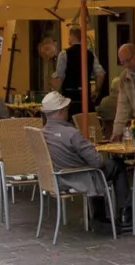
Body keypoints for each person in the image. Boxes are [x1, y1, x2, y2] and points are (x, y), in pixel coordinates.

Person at [40, 91, 129, 224]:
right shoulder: (71, 133)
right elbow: (97, 161)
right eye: (66, 109)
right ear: (60, 111)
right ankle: (125, 214)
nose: (67, 112)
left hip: (59, 177)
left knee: (96, 167)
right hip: (80, 177)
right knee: (117, 164)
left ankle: (100, 215)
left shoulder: (44, 133)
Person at [53, 26, 105, 111]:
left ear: (72, 36)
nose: (68, 39)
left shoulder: (64, 54)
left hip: (69, 99)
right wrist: (96, 91)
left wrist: (56, 95)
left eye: (68, 37)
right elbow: (101, 74)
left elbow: (60, 78)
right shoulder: (90, 54)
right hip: (85, 98)